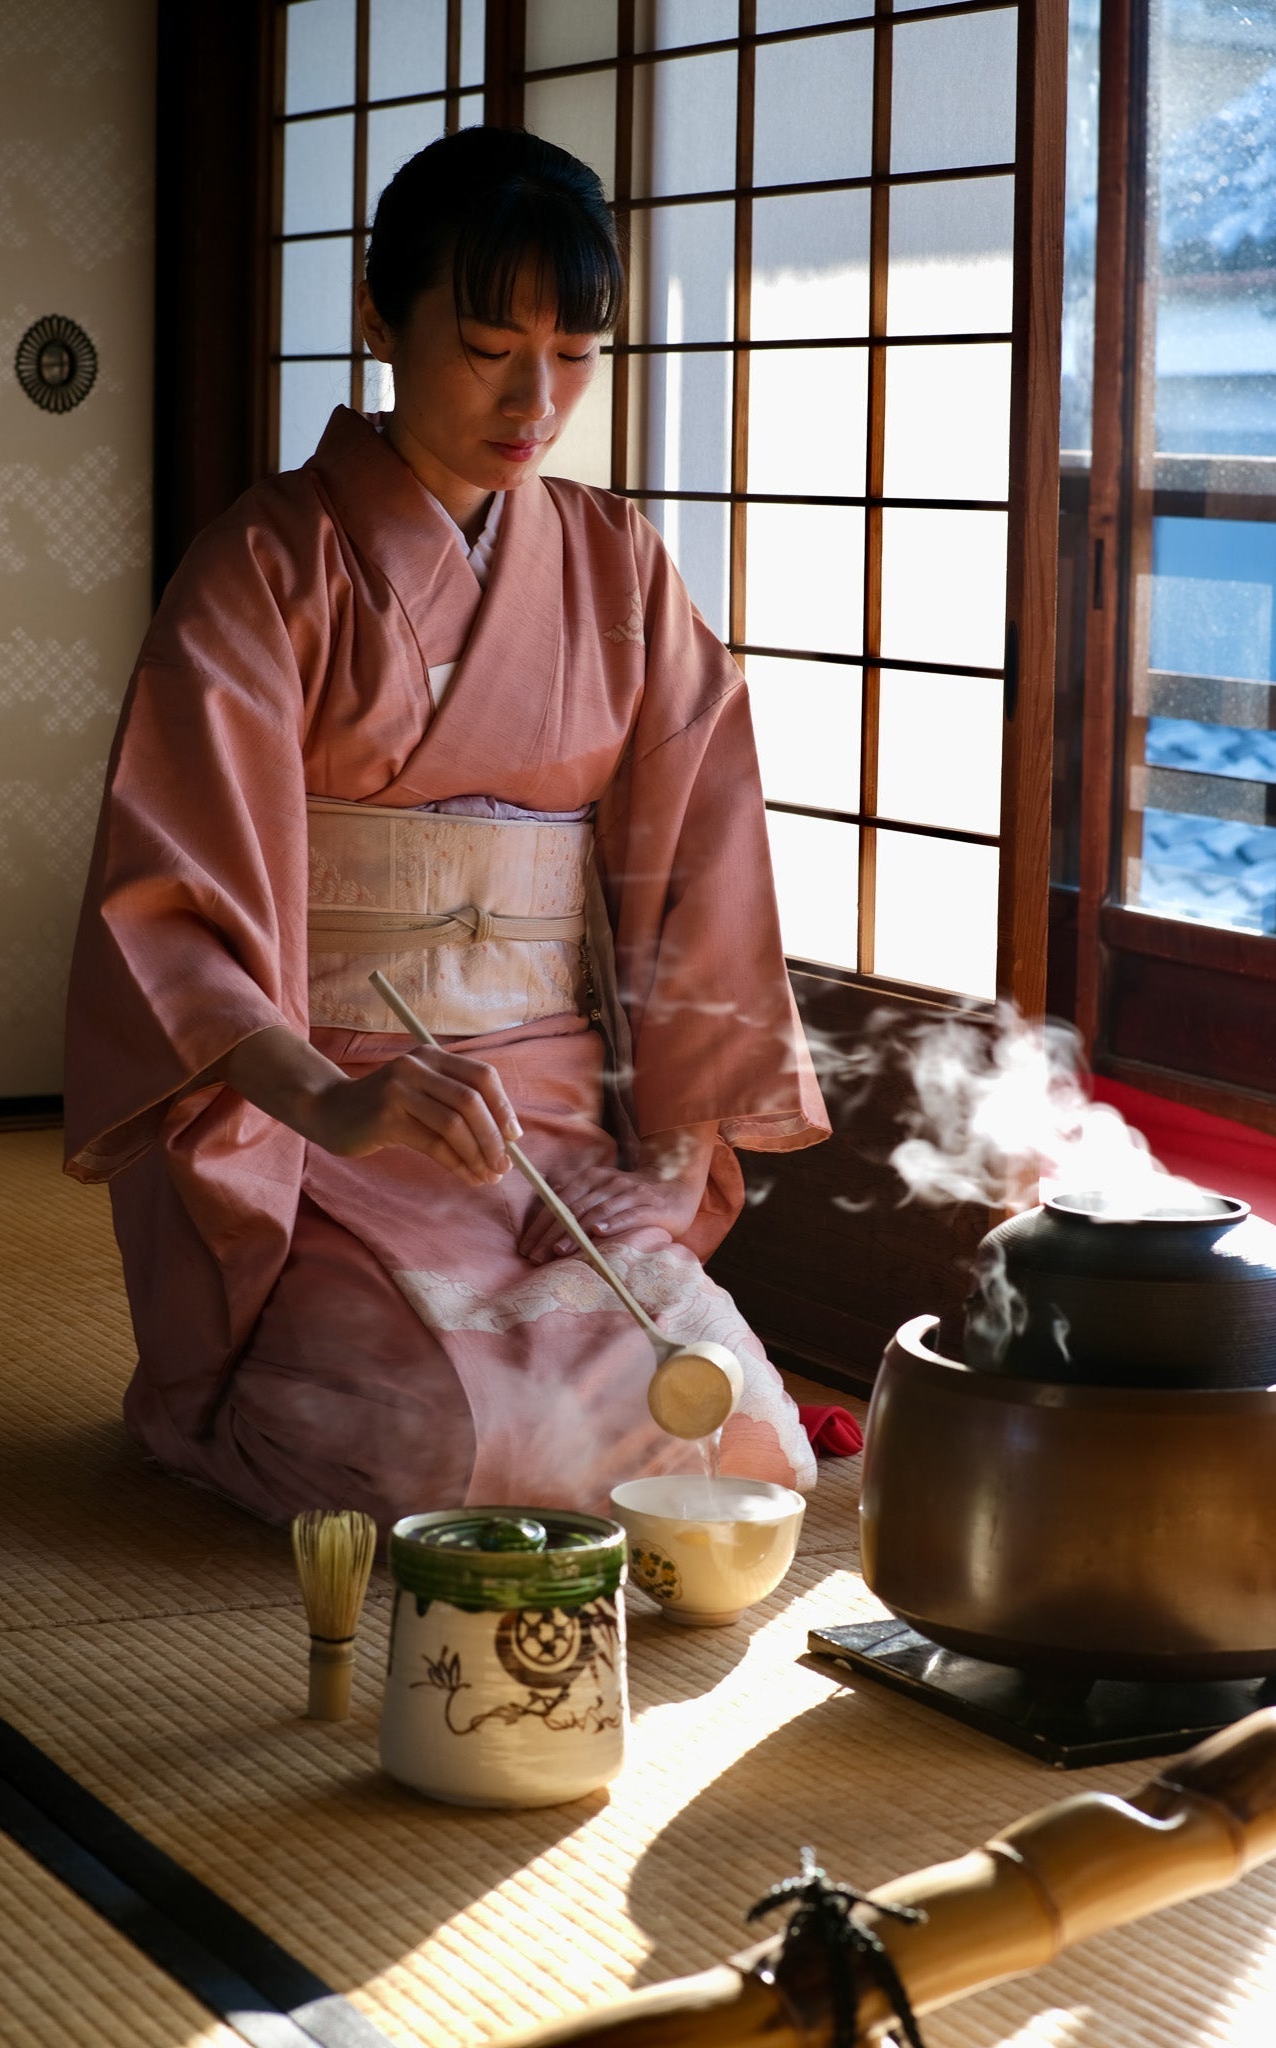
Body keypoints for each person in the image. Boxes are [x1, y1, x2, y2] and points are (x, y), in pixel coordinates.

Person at [65, 127, 830, 1527]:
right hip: (333, 1116)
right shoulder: (264, 565)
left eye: (575, 353)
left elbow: (696, 877)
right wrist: (330, 1102)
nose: (534, 398)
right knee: (445, 1456)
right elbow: (169, 913)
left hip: (561, 1115)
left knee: (736, 1428)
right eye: (486, 344)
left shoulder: (619, 568)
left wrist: (656, 1166)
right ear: (377, 317)